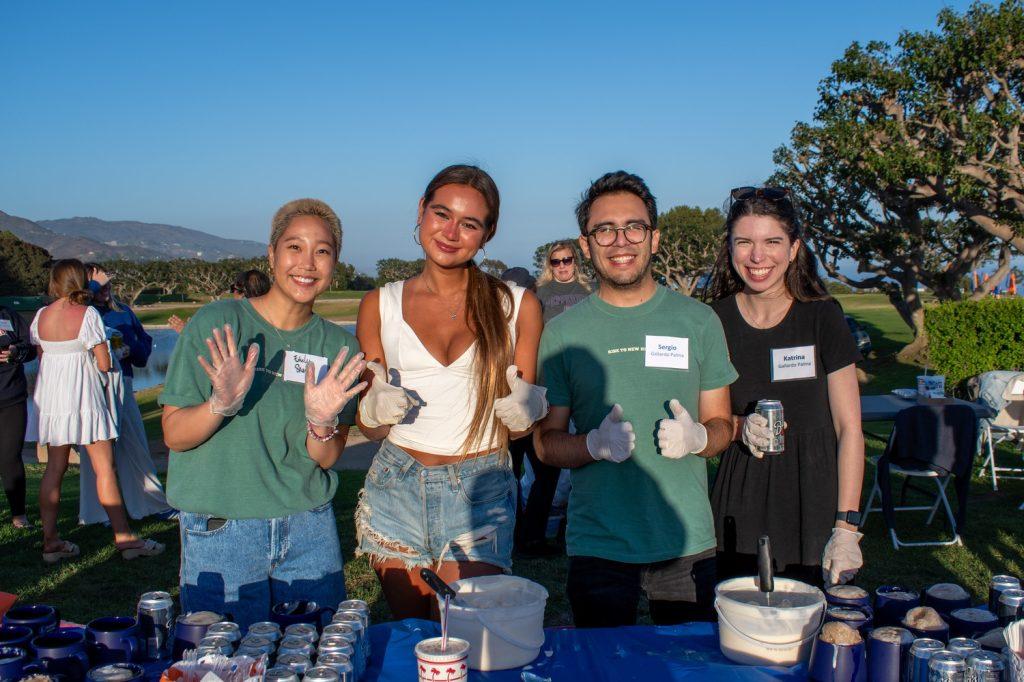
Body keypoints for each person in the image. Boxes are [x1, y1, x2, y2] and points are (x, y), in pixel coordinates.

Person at [534, 171, 737, 628]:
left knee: (688, 668)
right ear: (586, 244)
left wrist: (701, 436)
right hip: (598, 544)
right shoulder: (563, 334)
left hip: (685, 540)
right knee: (603, 667)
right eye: (604, 229)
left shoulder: (699, 321)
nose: (619, 241)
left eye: (634, 227)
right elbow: (545, 444)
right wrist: (592, 446)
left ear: (654, 237)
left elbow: (722, 424)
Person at [160, 198, 366, 628]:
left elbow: (325, 458)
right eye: (294, 247)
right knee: (224, 667)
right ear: (271, 255)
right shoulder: (219, 323)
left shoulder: (338, 348)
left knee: (315, 660)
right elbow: (175, 435)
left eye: (322, 251)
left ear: (335, 264)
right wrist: (220, 404)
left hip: (307, 528)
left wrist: (323, 422)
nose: (307, 263)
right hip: (222, 532)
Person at [354, 164, 545, 620]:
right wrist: (373, 409)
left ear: (488, 233)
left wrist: (529, 411)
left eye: (470, 223)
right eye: (441, 214)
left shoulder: (518, 305)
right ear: (421, 211)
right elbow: (368, 425)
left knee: (466, 635)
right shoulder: (378, 304)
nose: (451, 232)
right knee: (413, 636)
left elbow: (517, 431)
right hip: (396, 484)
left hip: (478, 486)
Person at [704, 186, 864, 586]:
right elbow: (710, 417)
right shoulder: (713, 321)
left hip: (813, 494)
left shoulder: (822, 316)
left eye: (772, 241)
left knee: (809, 629)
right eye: (745, 242)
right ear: (730, 248)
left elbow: (850, 430)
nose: (758, 257)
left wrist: (846, 526)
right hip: (739, 493)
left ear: (794, 248)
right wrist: (741, 424)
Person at [31, 259, 164, 562]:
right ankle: (125, 539)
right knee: (105, 468)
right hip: (85, 399)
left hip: (53, 402)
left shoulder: (40, 317)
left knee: (54, 470)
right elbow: (104, 363)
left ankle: (50, 541)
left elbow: (43, 358)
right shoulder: (88, 314)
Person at [76, 265, 172, 524]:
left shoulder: (123, 312)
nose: (105, 288)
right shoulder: (85, 314)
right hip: (93, 386)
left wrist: (133, 350)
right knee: (96, 450)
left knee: (135, 443)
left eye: (108, 283)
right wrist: (92, 286)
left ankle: (150, 503)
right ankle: (97, 512)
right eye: (98, 284)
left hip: (123, 381)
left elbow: (144, 343)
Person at [0, 304, 36, 528]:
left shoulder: (8, 315)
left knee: (10, 457)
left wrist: (15, 352)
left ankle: (19, 515)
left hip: (12, 397)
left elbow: (30, 348)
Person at [167, 269, 270, 334]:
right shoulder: (273, 320)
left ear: (242, 294)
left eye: (233, 289)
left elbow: (213, 355)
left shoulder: (233, 321)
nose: (232, 294)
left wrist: (188, 334)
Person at [535, 240, 591, 323]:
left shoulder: (592, 289)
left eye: (567, 260)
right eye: (555, 262)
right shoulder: (540, 292)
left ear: (575, 262)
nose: (562, 266)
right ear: (550, 266)